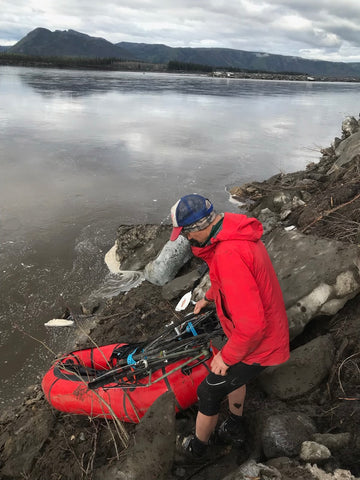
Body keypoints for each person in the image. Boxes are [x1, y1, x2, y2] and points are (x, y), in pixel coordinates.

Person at [170, 193, 290, 460]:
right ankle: (234, 424)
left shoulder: (229, 254)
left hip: (262, 341)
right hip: (260, 332)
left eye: (186, 234)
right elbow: (231, 282)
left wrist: (227, 356)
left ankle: (198, 447)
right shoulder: (231, 235)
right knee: (233, 376)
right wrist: (208, 298)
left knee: (208, 390)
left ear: (199, 228)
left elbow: (253, 326)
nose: (186, 239)